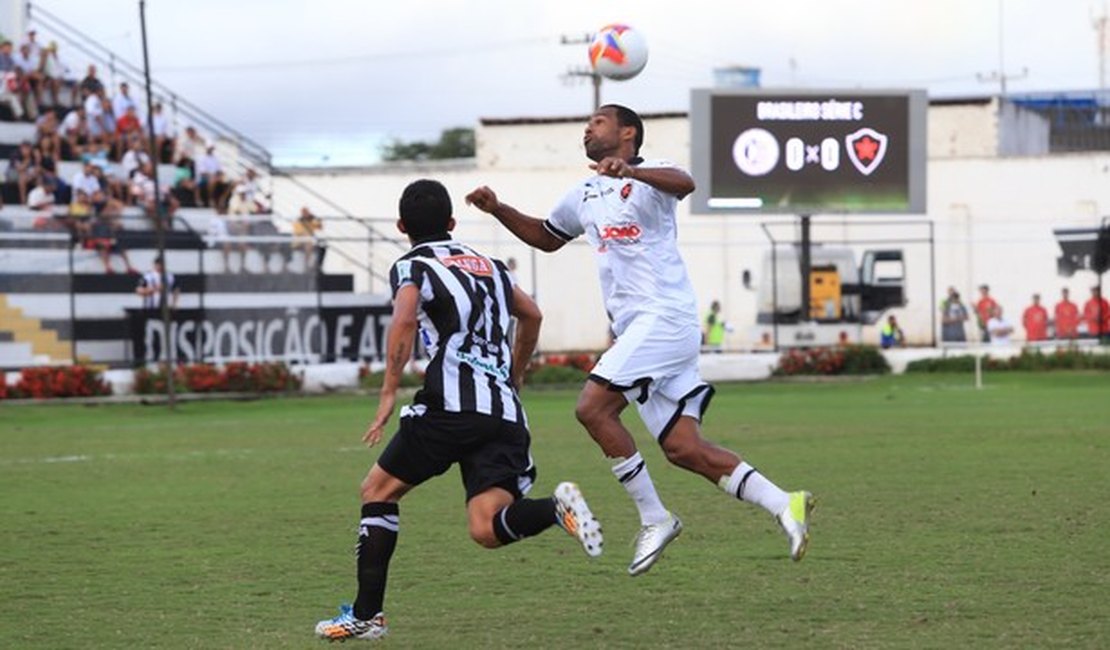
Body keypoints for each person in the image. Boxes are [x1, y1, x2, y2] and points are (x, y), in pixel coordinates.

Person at [466, 104, 813, 576]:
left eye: (599, 122)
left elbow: (684, 183)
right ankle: (784, 503)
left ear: (628, 133)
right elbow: (548, 237)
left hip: (665, 320)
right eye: (586, 123)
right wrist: (499, 208)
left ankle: (655, 518)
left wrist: (632, 170)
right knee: (684, 449)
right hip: (642, 333)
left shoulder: (653, 178)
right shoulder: (584, 193)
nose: (588, 127)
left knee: (592, 408)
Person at [313, 179, 602, 642]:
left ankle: (368, 616)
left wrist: (389, 391)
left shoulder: (412, 265)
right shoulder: (489, 266)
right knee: (486, 527)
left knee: (377, 491)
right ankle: (554, 508)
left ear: (402, 226)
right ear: (451, 224)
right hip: (503, 412)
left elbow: (405, 317)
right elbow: (532, 315)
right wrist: (516, 371)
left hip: (449, 406)